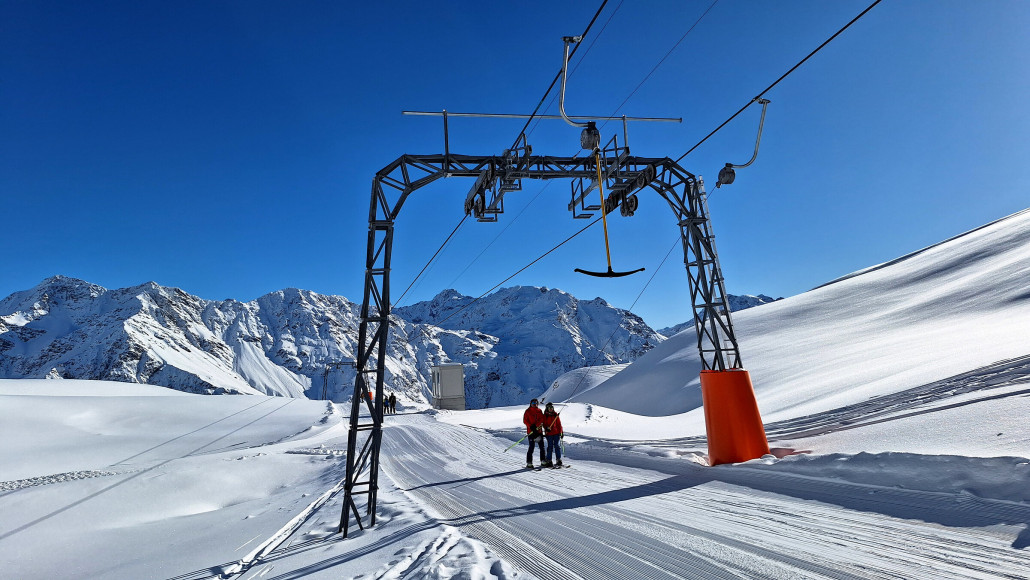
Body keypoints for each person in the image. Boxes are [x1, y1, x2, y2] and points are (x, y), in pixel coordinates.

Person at [522, 398, 545, 469]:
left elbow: (542, 419)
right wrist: (531, 426)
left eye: (536, 403)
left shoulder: (539, 411)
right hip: (531, 432)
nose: (534, 405)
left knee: (542, 447)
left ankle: (543, 460)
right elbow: (525, 420)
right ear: (530, 404)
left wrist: (536, 426)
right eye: (533, 403)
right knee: (531, 447)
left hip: (539, 432)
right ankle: (529, 462)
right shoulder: (527, 411)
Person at [542, 402, 564, 468]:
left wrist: (561, 432)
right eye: (549, 408)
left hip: (556, 433)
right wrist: (546, 428)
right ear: (547, 408)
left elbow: (559, 425)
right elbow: (544, 424)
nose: (551, 409)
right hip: (549, 434)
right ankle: (549, 460)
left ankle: (558, 459)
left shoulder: (555, 415)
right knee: (550, 446)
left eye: (552, 408)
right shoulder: (545, 416)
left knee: (557, 446)